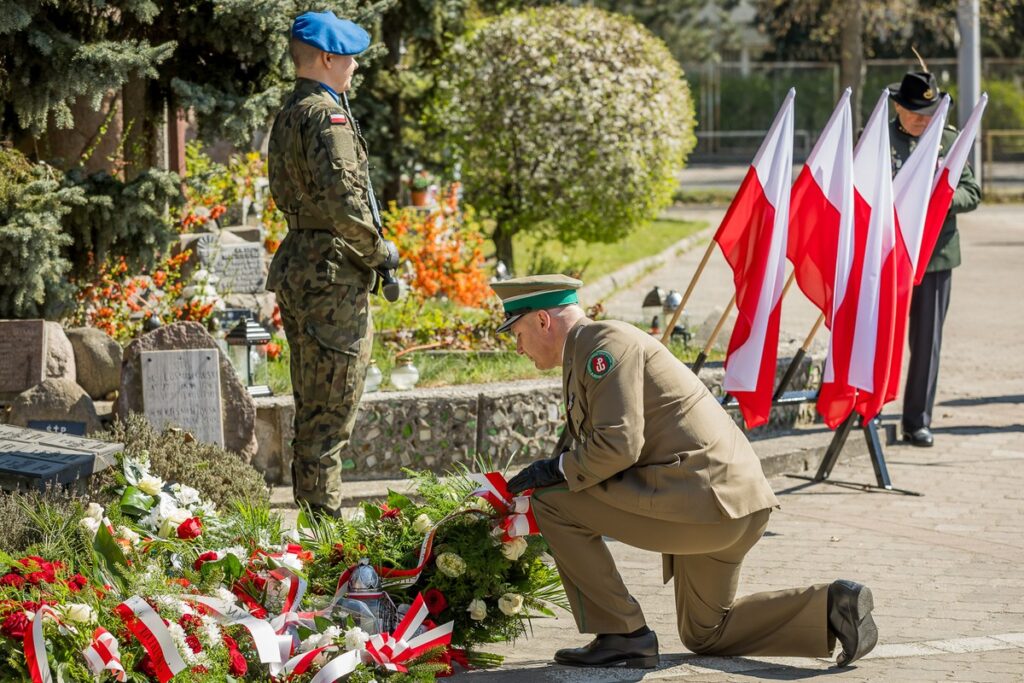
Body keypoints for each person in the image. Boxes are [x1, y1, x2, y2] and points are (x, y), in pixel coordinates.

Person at [492, 274, 878, 669]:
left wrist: (554, 468)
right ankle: (833, 606)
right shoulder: (592, 347)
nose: (518, 346)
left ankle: (622, 633)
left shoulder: (601, 345)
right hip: (732, 505)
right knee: (706, 632)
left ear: (543, 320)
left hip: (704, 505)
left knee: (552, 503)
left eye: (517, 332)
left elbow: (619, 445)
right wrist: (562, 467)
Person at [266, 11, 399, 516]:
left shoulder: (290, 112)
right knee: (330, 419)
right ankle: (327, 546)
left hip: (302, 265)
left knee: (312, 410)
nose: (356, 67)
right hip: (333, 276)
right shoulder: (327, 116)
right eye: (350, 57)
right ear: (326, 58)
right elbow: (348, 207)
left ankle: (313, 533)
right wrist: (380, 252)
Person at [887, 71, 982, 447]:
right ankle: (869, 408)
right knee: (882, 337)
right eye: (915, 113)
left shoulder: (949, 140)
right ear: (898, 107)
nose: (923, 120)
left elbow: (971, 191)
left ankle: (917, 420)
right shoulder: (879, 137)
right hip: (890, 255)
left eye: (929, 112)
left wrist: (940, 202)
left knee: (927, 342)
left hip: (937, 256)